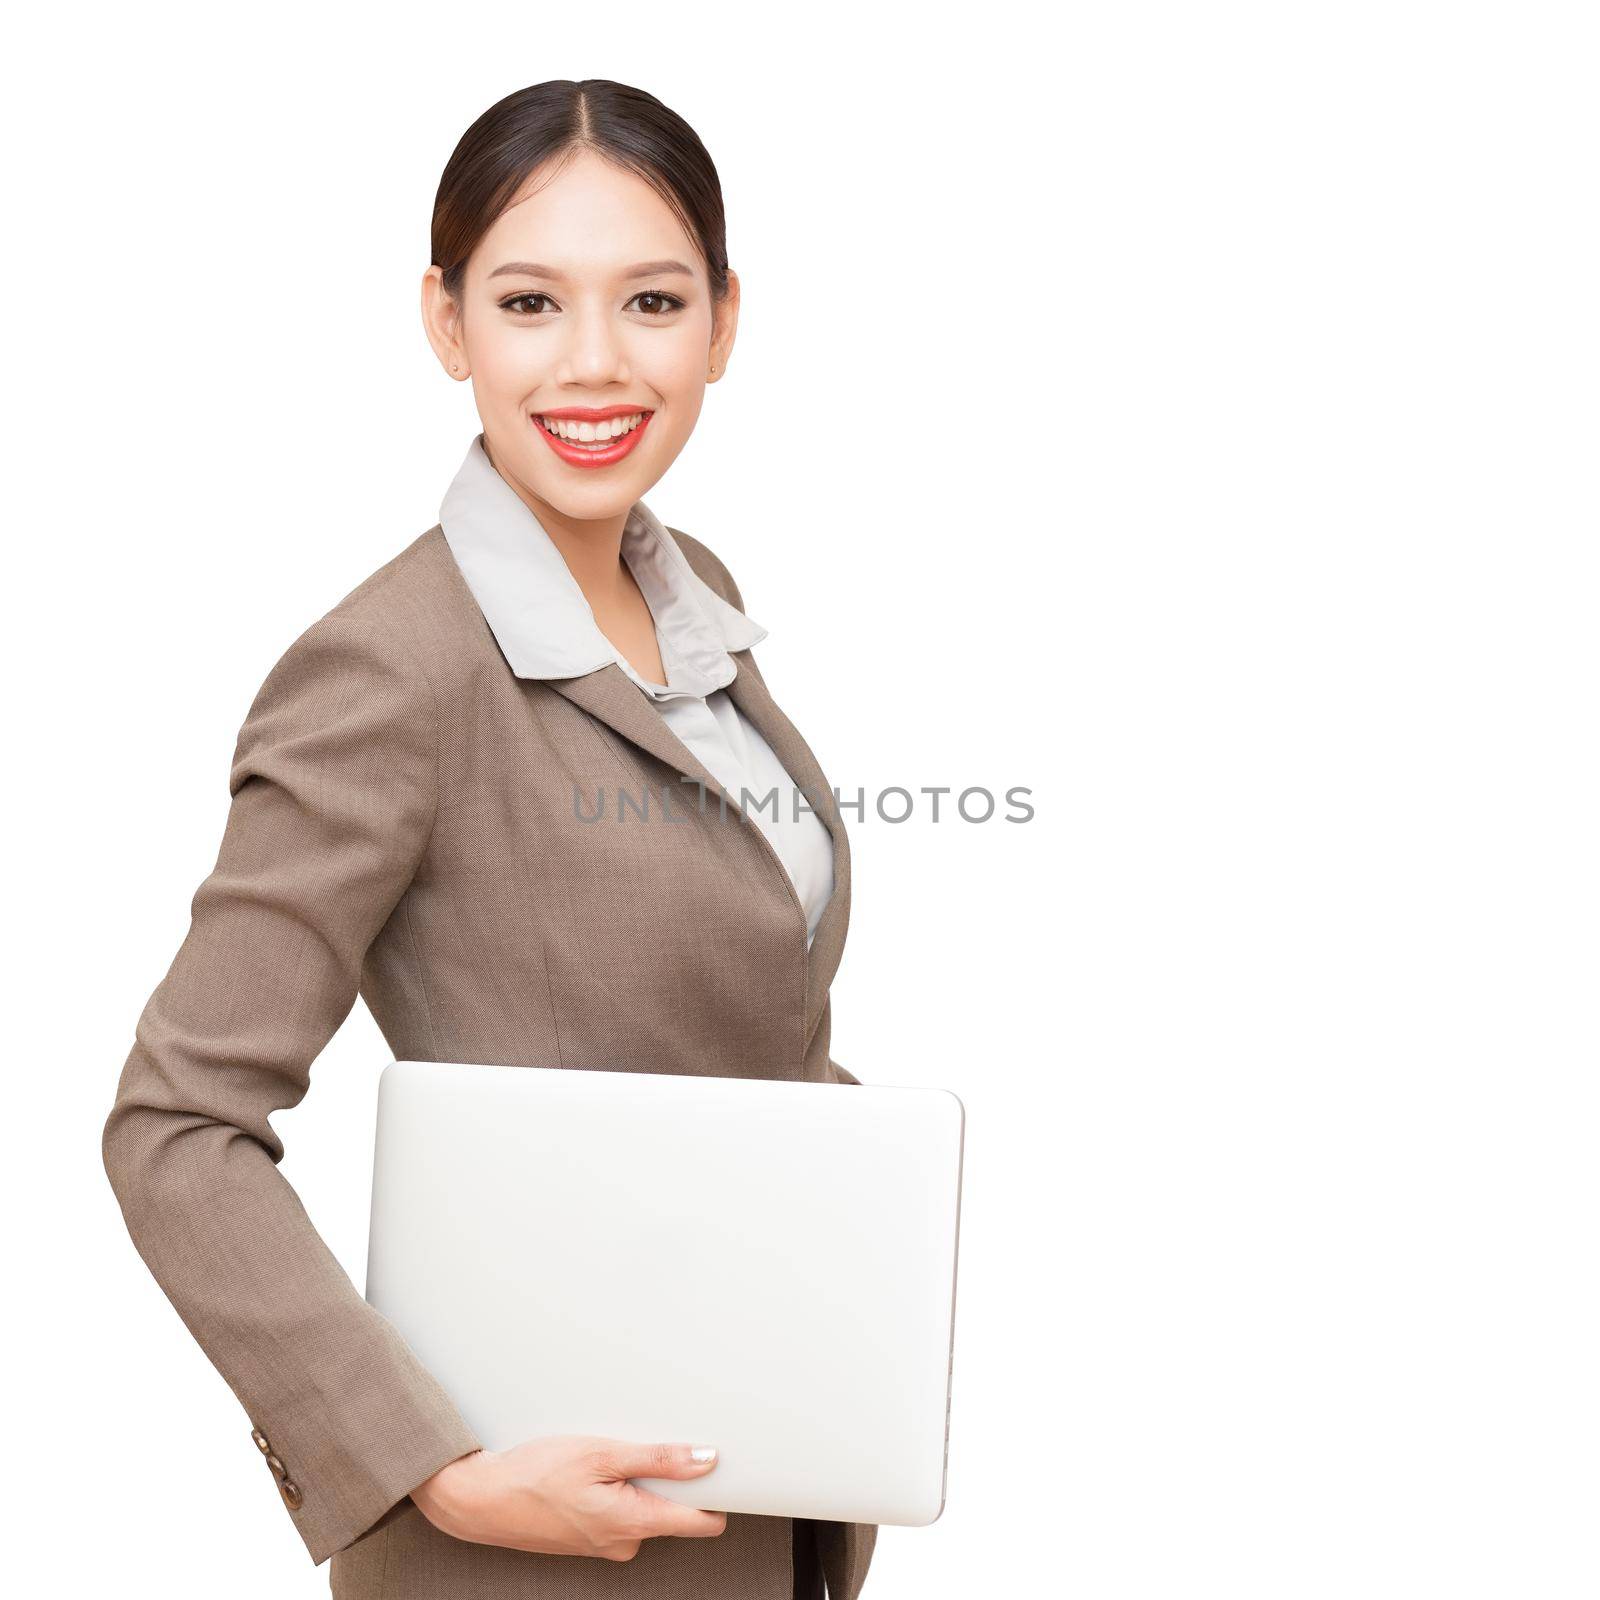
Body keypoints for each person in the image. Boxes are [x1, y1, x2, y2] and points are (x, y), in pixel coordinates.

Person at [101, 79, 876, 1600]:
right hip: (534, 1538)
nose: (595, 362)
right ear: (448, 326)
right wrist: (426, 1465)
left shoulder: (684, 586)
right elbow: (175, 1129)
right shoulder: (390, 670)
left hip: (766, 1481)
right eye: (530, 302)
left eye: (651, 300)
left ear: (725, 322)